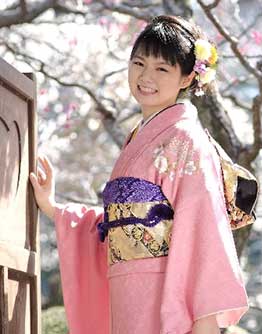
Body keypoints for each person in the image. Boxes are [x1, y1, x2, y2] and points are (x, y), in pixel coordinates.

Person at [30, 15, 249, 334]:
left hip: (162, 294)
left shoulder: (185, 139)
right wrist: (54, 209)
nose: (146, 76)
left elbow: (203, 231)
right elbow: (115, 224)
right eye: (139, 63)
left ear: (187, 78)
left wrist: (203, 326)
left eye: (162, 68)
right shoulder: (139, 136)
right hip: (127, 292)